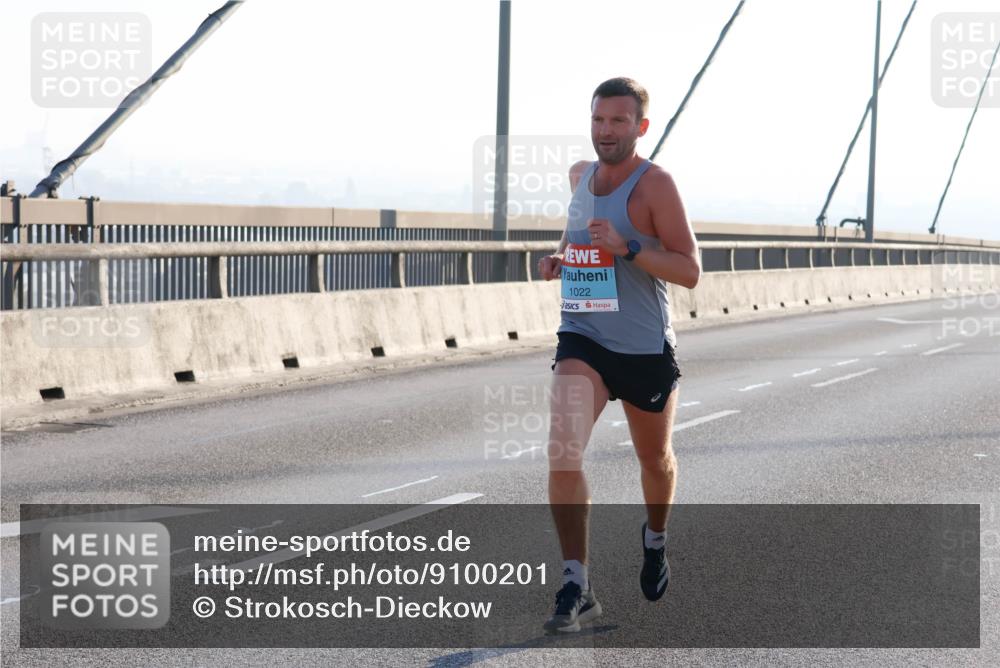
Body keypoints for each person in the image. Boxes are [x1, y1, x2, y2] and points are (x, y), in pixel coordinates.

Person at [538, 77, 701, 634]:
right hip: (583, 335)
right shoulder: (579, 177)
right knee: (563, 451)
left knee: (654, 462)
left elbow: (689, 270)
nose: (606, 130)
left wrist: (629, 247)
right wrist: (560, 257)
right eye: (598, 120)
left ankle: (655, 540)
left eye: (618, 121)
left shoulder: (656, 186)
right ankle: (575, 582)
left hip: (642, 346)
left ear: (640, 127)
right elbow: (575, 235)